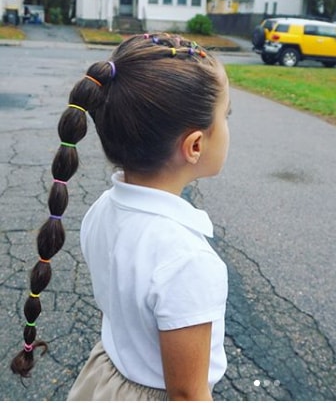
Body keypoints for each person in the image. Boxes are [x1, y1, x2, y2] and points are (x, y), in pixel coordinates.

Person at [11, 33, 230, 400]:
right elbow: (188, 394)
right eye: (226, 116)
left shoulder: (104, 209)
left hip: (105, 377)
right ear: (194, 145)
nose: (227, 127)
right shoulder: (187, 261)